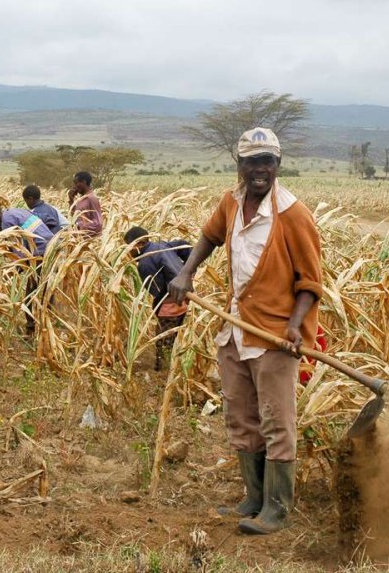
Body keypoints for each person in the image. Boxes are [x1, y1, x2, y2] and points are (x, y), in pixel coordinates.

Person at [167, 128, 322, 536]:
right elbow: (209, 236)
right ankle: (253, 498)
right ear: (239, 164)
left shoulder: (293, 215)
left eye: (267, 161)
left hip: (274, 336)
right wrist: (186, 271)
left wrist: (294, 326)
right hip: (236, 329)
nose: (259, 170)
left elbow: (310, 282)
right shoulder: (231, 203)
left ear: (278, 165)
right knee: (241, 417)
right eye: (252, 161)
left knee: (277, 421)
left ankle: (276, 509)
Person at [124, 226, 191, 371]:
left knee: (163, 340)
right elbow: (185, 246)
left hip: (171, 304)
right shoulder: (162, 245)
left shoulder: (145, 263)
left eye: (129, 247)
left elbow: (157, 290)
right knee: (174, 335)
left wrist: (158, 306)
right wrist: (188, 272)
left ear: (139, 244)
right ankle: (173, 365)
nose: (128, 251)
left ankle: (163, 371)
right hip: (184, 298)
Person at [0, 201, 54, 333]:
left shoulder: (6, 222)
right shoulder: (14, 212)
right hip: (52, 247)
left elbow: (18, 255)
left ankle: (32, 329)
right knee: (45, 290)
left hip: (41, 253)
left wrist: (9, 274)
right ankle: (49, 323)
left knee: (30, 296)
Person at [68, 171, 104, 237]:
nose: (75, 186)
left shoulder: (91, 198)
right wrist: (71, 199)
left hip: (90, 240)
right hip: (79, 238)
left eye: (76, 183)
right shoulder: (82, 199)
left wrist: (79, 225)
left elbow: (98, 223)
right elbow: (75, 217)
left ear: (84, 182)